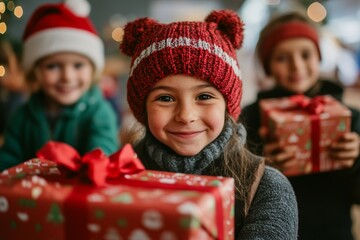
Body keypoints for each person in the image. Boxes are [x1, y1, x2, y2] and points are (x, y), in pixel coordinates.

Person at [119, 9, 298, 239]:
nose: (186, 115)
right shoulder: (117, 175)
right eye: (165, 98)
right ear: (142, 108)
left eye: (204, 97)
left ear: (227, 104)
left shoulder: (266, 187)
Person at [240, 11, 360, 240]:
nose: (296, 66)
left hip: (335, 232)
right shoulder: (251, 118)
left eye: (306, 55)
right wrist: (261, 166)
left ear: (319, 57)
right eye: (282, 58)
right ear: (268, 65)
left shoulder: (350, 118)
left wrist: (356, 159)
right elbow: (236, 191)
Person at [0, 0, 119, 171]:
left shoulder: (99, 113)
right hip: (30, 195)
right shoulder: (23, 116)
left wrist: (94, 164)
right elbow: (8, 159)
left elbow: (102, 152)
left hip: (79, 193)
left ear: (93, 70)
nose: (67, 77)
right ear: (36, 71)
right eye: (52, 66)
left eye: (78, 65)